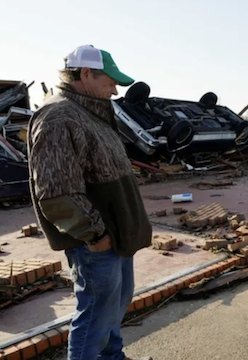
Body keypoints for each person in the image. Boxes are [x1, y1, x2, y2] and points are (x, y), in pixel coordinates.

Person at [28, 45, 153, 360]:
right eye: (110, 81)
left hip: (114, 237)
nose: (115, 89)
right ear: (85, 74)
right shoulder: (58, 115)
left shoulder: (91, 111)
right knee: (95, 316)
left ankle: (113, 357)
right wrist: (95, 235)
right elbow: (55, 190)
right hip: (96, 241)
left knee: (112, 309)